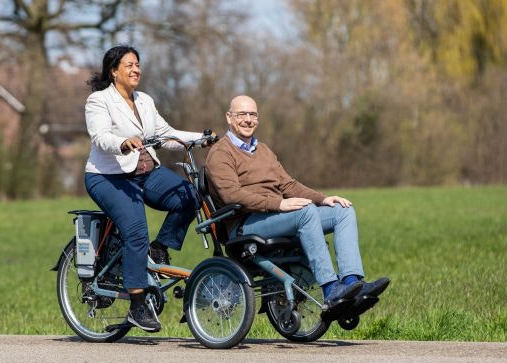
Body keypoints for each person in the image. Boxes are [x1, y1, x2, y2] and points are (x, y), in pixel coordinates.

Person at [205, 95, 390, 317]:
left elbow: (288, 185)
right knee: (305, 212)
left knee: (343, 211)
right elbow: (231, 195)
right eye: (241, 114)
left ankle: (352, 285)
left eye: (253, 114)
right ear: (229, 117)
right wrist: (279, 204)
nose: (248, 120)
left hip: (275, 216)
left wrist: (323, 199)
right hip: (244, 224)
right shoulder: (220, 153)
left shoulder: (263, 150)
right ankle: (331, 289)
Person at [84, 45, 208, 332]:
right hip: (109, 178)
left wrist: (201, 138)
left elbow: (166, 135)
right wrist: (123, 142)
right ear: (114, 71)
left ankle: (160, 247)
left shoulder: (145, 101)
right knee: (136, 230)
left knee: (190, 195)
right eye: (129, 65)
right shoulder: (98, 101)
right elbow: (101, 136)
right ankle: (137, 306)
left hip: (146, 173)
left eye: (137, 64)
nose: (136, 69)